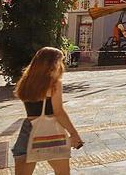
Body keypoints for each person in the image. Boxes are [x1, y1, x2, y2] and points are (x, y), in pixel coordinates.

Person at [12, 47, 83, 175]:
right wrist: (74, 133)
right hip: (51, 131)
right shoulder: (54, 84)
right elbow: (59, 112)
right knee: (62, 172)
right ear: (53, 64)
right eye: (60, 61)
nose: (62, 65)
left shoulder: (25, 82)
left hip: (28, 130)